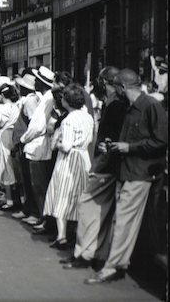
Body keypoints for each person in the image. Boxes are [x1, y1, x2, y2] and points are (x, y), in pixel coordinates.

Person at [84, 68, 168, 284]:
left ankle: (112, 267)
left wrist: (128, 147)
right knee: (125, 220)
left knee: (122, 221)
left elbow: (160, 141)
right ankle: (122, 263)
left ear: (122, 87)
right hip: (130, 171)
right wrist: (113, 146)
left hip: (140, 173)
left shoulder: (150, 106)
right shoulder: (130, 107)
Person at [61, 67, 127, 269]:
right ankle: (94, 253)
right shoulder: (113, 104)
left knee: (87, 206)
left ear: (105, 82)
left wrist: (100, 161)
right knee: (99, 210)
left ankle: (85, 254)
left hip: (105, 166)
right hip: (107, 164)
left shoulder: (114, 105)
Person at [43, 84, 94, 250]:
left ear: (68, 101)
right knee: (79, 193)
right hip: (83, 157)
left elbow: (66, 145)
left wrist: (57, 142)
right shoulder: (88, 117)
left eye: (64, 97)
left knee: (63, 195)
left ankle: (62, 236)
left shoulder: (69, 120)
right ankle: (77, 234)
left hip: (68, 159)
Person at [17, 66, 57, 234]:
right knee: (37, 185)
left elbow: (38, 126)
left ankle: (43, 218)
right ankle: (41, 217)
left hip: (37, 148)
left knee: (39, 186)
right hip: (36, 147)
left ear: (41, 83)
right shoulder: (45, 99)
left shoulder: (47, 100)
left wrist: (23, 139)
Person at [0, 83, 21, 211]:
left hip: (3, 137)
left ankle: (9, 201)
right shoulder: (17, 108)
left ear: (2, 95)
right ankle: (20, 199)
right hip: (15, 139)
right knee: (15, 169)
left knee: (5, 169)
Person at [12, 70, 41, 222]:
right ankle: (28, 209)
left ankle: (32, 211)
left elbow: (32, 123)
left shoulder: (30, 101)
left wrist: (22, 141)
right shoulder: (29, 99)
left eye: (22, 86)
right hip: (24, 144)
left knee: (28, 179)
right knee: (25, 178)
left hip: (26, 145)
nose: (20, 89)